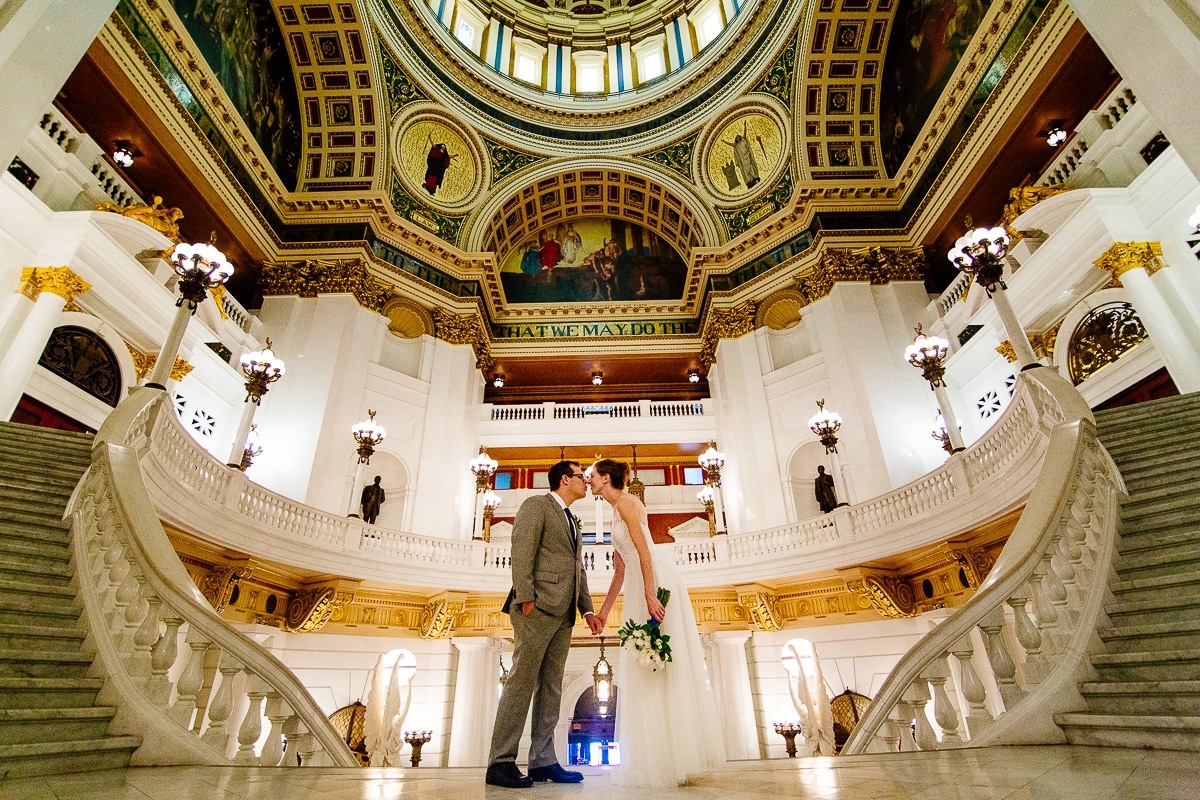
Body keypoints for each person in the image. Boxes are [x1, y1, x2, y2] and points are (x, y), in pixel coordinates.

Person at [589, 459, 725, 787]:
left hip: (655, 581)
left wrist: (651, 596)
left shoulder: (628, 504)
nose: (588, 481)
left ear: (606, 478)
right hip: (637, 583)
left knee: (662, 664)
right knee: (645, 666)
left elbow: (645, 554)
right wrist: (604, 612)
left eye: (591, 476)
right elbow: (620, 569)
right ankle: (657, 759)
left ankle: (678, 757)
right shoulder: (613, 511)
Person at [486, 461, 604, 788]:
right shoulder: (536, 505)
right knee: (521, 682)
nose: (586, 481)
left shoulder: (572, 521)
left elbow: (577, 569)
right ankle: (501, 761)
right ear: (565, 480)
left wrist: (588, 610)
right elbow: (521, 550)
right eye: (582, 476)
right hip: (535, 607)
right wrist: (525, 597)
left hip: (564, 613)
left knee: (551, 687)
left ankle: (542, 760)